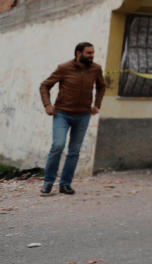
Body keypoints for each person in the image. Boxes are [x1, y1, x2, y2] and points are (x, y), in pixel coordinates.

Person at [38, 42, 105, 195]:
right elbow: (44, 86)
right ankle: (48, 182)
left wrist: (97, 105)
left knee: (74, 151)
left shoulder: (96, 69)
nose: (92, 56)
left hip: (83, 115)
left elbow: (102, 86)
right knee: (58, 146)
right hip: (62, 114)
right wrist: (47, 105)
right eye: (89, 53)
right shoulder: (64, 68)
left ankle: (65, 184)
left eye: (93, 53)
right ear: (78, 53)